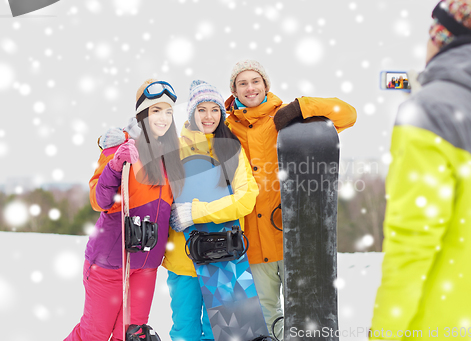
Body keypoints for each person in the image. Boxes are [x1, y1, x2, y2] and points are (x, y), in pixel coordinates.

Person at [370, 0, 471, 340]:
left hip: (446, 321)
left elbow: (412, 240)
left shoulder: (429, 111)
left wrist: (383, 332)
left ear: (440, 37)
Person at [225, 59, 357, 339]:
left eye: (255, 81)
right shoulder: (228, 128)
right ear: (234, 91)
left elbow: (348, 115)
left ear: (266, 85)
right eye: (242, 83)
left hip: (293, 242)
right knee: (264, 318)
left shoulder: (290, 119)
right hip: (251, 242)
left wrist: (301, 107)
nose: (250, 88)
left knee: (304, 317)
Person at [65, 79, 184, 341]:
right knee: (93, 335)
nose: (163, 118)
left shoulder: (172, 154)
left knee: (129, 335)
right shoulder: (121, 145)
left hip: (146, 265)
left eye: (168, 112)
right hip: (111, 262)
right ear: (142, 112)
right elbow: (100, 200)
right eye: (155, 110)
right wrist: (114, 165)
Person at [162, 80, 259, 341]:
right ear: (191, 112)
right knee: (185, 331)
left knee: (224, 333)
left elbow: (246, 199)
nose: (208, 116)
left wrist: (196, 212)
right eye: (201, 109)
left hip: (223, 255)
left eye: (214, 109)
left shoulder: (231, 150)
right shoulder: (172, 148)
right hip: (183, 259)